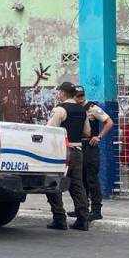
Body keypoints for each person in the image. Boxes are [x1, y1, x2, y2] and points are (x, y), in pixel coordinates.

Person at [45, 81, 90, 231]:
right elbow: (87, 133)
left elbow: (49, 130)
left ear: (63, 93)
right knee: (77, 185)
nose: (58, 94)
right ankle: (83, 219)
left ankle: (59, 218)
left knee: (53, 183)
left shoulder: (60, 109)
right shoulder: (82, 110)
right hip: (77, 151)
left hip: (61, 152)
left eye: (59, 92)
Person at [68, 86, 114, 221]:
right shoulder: (73, 109)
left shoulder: (92, 108)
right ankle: (82, 208)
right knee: (80, 179)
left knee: (91, 179)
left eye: (82, 95)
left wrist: (98, 136)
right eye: (78, 95)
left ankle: (96, 210)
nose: (80, 97)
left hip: (90, 147)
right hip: (78, 146)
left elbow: (109, 122)